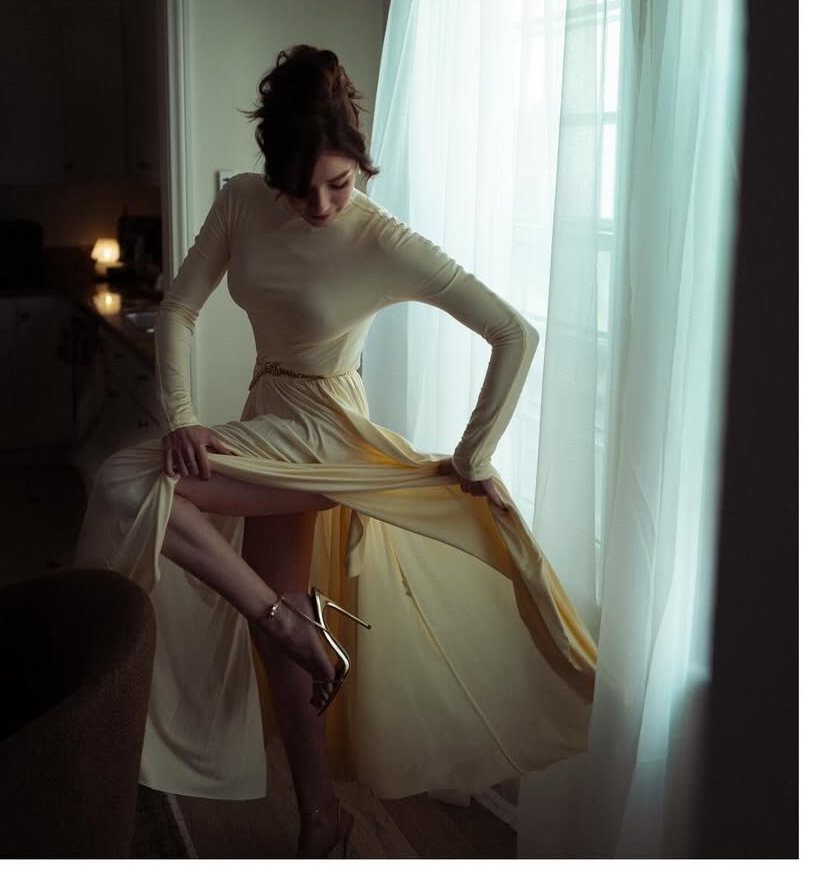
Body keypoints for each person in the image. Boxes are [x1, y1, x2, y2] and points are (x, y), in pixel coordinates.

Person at [74, 45, 597, 858]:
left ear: (360, 161)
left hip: (327, 435)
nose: (319, 204)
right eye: (300, 187)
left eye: (339, 183)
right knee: (226, 551)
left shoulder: (382, 239)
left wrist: (473, 456)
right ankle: (321, 817)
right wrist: (181, 416)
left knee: (125, 485)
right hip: (267, 414)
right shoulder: (243, 202)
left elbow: (513, 333)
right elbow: (178, 308)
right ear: (272, 172)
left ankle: (284, 625)